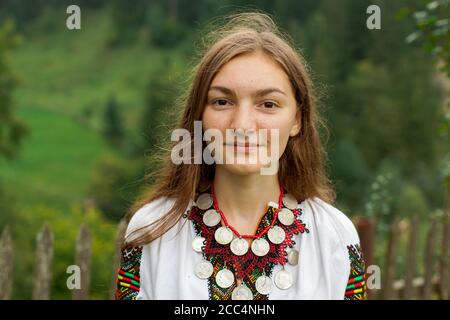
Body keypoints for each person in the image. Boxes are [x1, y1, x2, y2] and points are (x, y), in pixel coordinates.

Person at [115, 12, 367, 300]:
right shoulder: (151, 231)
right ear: (200, 115)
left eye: (268, 104)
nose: (242, 125)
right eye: (222, 101)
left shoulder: (334, 236)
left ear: (297, 120)